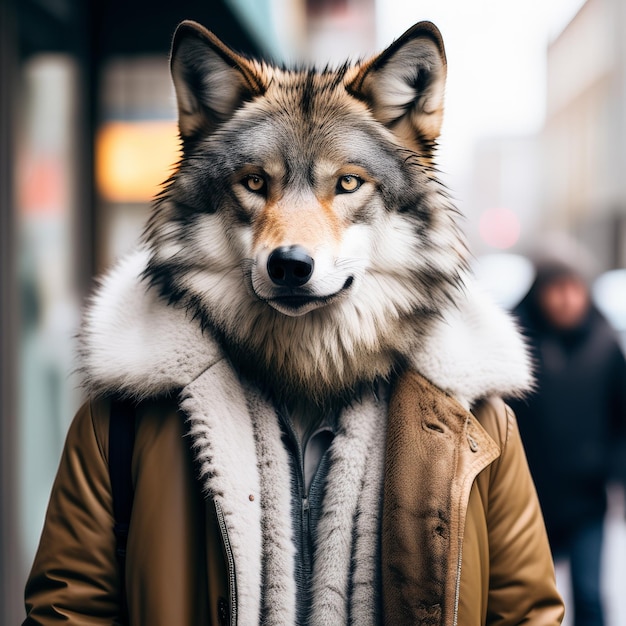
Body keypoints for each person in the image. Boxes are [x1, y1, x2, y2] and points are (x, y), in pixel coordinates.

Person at [23, 20, 564, 625]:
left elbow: (526, 614)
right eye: (257, 184)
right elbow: (67, 613)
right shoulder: (124, 420)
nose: (292, 245)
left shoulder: (473, 422)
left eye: (348, 185)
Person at [508, 239, 626, 626]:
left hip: (587, 501)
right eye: (555, 289)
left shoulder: (606, 345)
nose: (565, 299)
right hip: (528, 498)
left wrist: (614, 471)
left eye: (574, 287)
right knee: (530, 598)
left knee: (590, 597)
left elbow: (620, 419)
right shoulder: (514, 342)